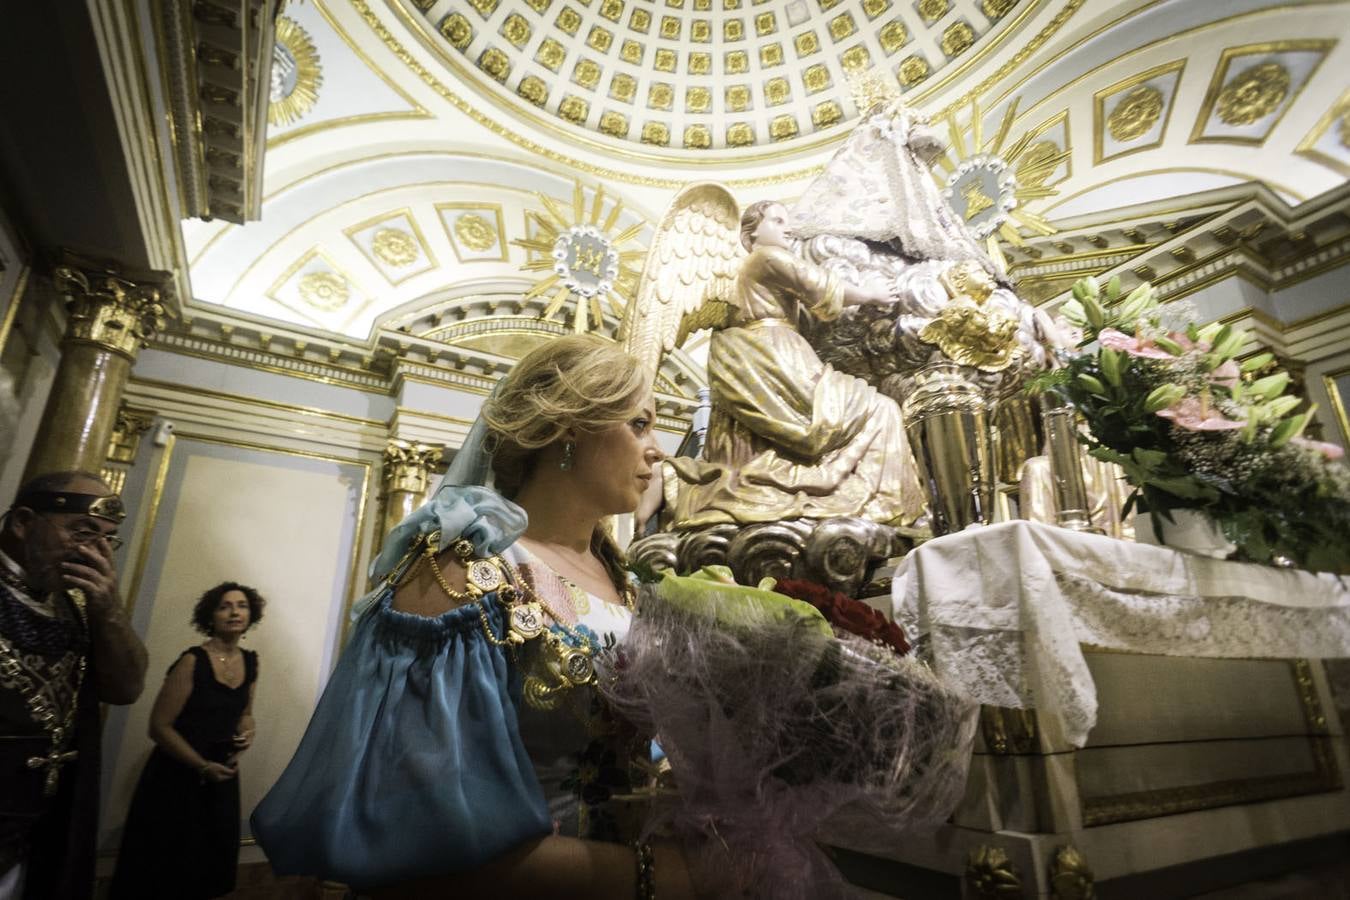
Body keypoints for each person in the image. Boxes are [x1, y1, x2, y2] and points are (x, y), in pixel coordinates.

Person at [254, 335, 699, 898]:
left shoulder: (631, 586)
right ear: (570, 425)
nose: (657, 450)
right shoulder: (457, 577)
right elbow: (427, 832)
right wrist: (673, 876)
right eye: (639, 424)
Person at [662, 200, 927, 530]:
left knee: (874, 408)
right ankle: (879, 502)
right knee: (881, 409)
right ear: (753, 232)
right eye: (777, 220)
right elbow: (817, 283)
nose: (788, 228)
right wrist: (868, 293)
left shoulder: (750, 274)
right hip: (777, 356)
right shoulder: (765, 258)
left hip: (770, 357)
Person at [0, 471, 147, 900]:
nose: (97, 552)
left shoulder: (79, 605)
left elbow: (126, 690)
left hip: (45, 824)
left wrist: (110, 610)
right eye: (83, 533)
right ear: (23, 522)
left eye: (108, 540)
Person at [108, 581, 263, 899]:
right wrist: (201, 766)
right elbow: (159, 727)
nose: (235, 611)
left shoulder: (251, 662)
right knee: (165, 871)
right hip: (176, 775)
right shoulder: (192, 660)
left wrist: (247, 732)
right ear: (211, 616)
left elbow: (245, 712)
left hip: (221, 775)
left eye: (242, 605)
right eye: (225, 606)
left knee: (207, 867)